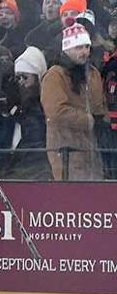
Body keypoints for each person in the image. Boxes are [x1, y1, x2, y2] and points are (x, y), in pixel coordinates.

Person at [42, 23, 106, 180]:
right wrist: (89, 120)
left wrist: (103, 121)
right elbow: (56, 112)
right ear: (66, 49)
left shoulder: (93, 73)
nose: (84, 51)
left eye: (87, 46)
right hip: (65, 149)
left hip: (92, 148)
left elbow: (100, 105)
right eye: (78, 47)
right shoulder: (55, 76)